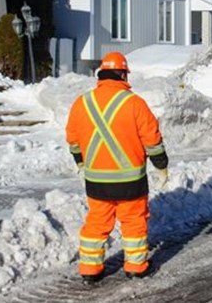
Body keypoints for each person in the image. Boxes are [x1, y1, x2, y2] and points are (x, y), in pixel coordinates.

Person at [66, 52, 169, 283]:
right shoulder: (134, 103)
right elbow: (152, 140)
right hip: (130, 182)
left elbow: (73, 139)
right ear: (123, 73)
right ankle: (135, 266)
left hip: (96, 182)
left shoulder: (82, 102)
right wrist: (161, 166)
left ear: (102, 73)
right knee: (133, 222)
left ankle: (90, 269)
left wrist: (80, 162)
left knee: (96, 222)